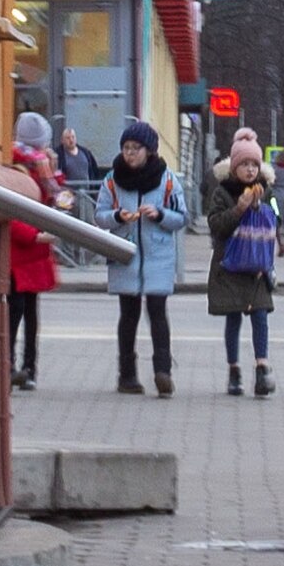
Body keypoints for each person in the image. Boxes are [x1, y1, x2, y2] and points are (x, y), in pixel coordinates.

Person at [96, 121, 188, 396]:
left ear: (149, 151)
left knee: (158, 313)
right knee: (128, 315)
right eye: (126, 148)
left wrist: (159, 214)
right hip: (125, 254)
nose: (130, 153)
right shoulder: (112, 180)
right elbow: (100, 215)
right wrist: (117, 216)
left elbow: (181, 217)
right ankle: (127, 376)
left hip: (158, 256)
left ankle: (163, 372)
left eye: (136, 148)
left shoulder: (167, 179)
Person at [207, 126, 284, 395]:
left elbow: (277, 218)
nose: (250, 170)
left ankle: (262, 369)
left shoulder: (267, 191)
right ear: (234, 167)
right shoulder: (222, 192)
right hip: (229, 265)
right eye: (244, 164)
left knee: (260, 315)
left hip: (258, 267)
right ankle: (234, 371)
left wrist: (260, 207)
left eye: (254, 164)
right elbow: (216, 225)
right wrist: (239, 208)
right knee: (233, 318)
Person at [2, 113, 71, 388]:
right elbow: (12, 213)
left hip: (29, 251)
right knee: (21, 310)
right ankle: (19, 367)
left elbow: (60, 199)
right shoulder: (23, 170)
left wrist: (55, 174)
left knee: (23, 310)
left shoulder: (39, 168)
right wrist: (36, 235)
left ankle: (19, 366)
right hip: (25, 249)